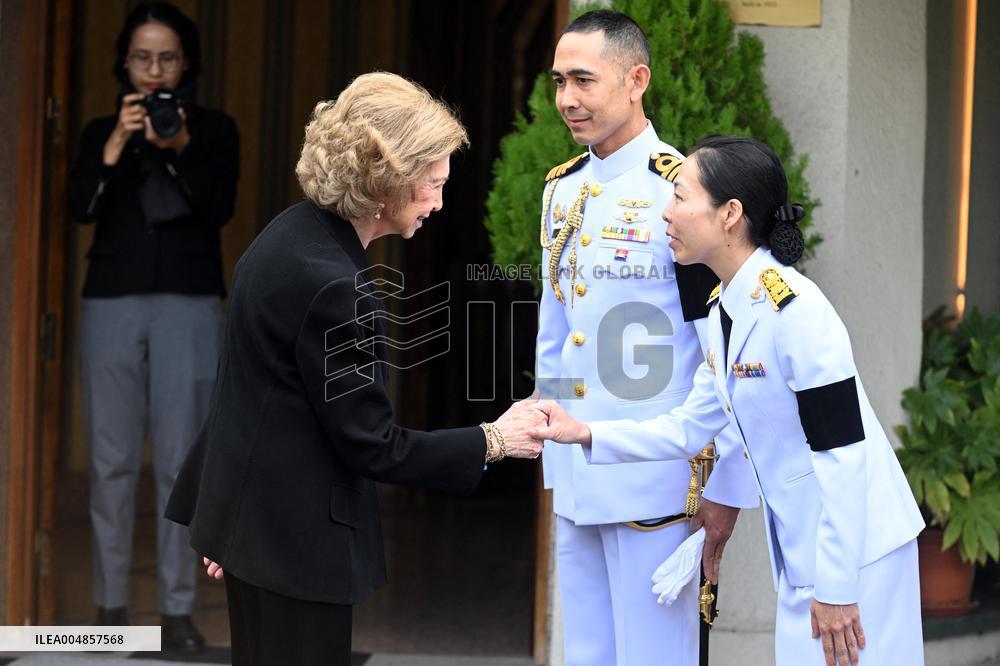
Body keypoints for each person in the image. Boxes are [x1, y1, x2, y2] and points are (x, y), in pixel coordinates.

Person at [164, 72, 544, 666]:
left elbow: (251, 393)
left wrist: (228, 520)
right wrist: (496, 439)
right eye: (431, 185)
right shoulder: (334, 286)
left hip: (258, 536)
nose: (440, 203)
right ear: (385, 181)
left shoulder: (285, 236)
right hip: (295, 550)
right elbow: (373, 446)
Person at [535, 136, 926, 666]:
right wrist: (582, 432)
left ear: (730, 215)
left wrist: (836, 586)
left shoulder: (796, 312)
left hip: (858, 552)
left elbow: (844, 454)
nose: (665, 213)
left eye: (680, 197)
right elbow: (686, 427)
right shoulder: (726, 310)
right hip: (805, 549)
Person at [536, 10, 758, 665]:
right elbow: (557, 331)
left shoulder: (682, 188)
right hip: (578, 479)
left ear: (637, 80)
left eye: (584, 79)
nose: (567, 99)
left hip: (659, 485)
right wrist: (554, 456)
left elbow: (729, 349)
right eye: (558, 82)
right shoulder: (562, 189)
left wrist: (726, 489)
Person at [67, 2, 239, 653]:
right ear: (126, 62)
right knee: (110, 462)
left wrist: (181, 148)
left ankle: (176, 614)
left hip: (189, 303)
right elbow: (79, 207)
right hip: (111, 300)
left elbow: (219, 209)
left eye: (166, 58)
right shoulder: (97, 130)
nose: (154, 71)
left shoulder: (214, 130)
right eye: (142, 58)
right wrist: (115, 146)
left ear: (185, 62)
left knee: (179, 464)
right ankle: (109, 610)